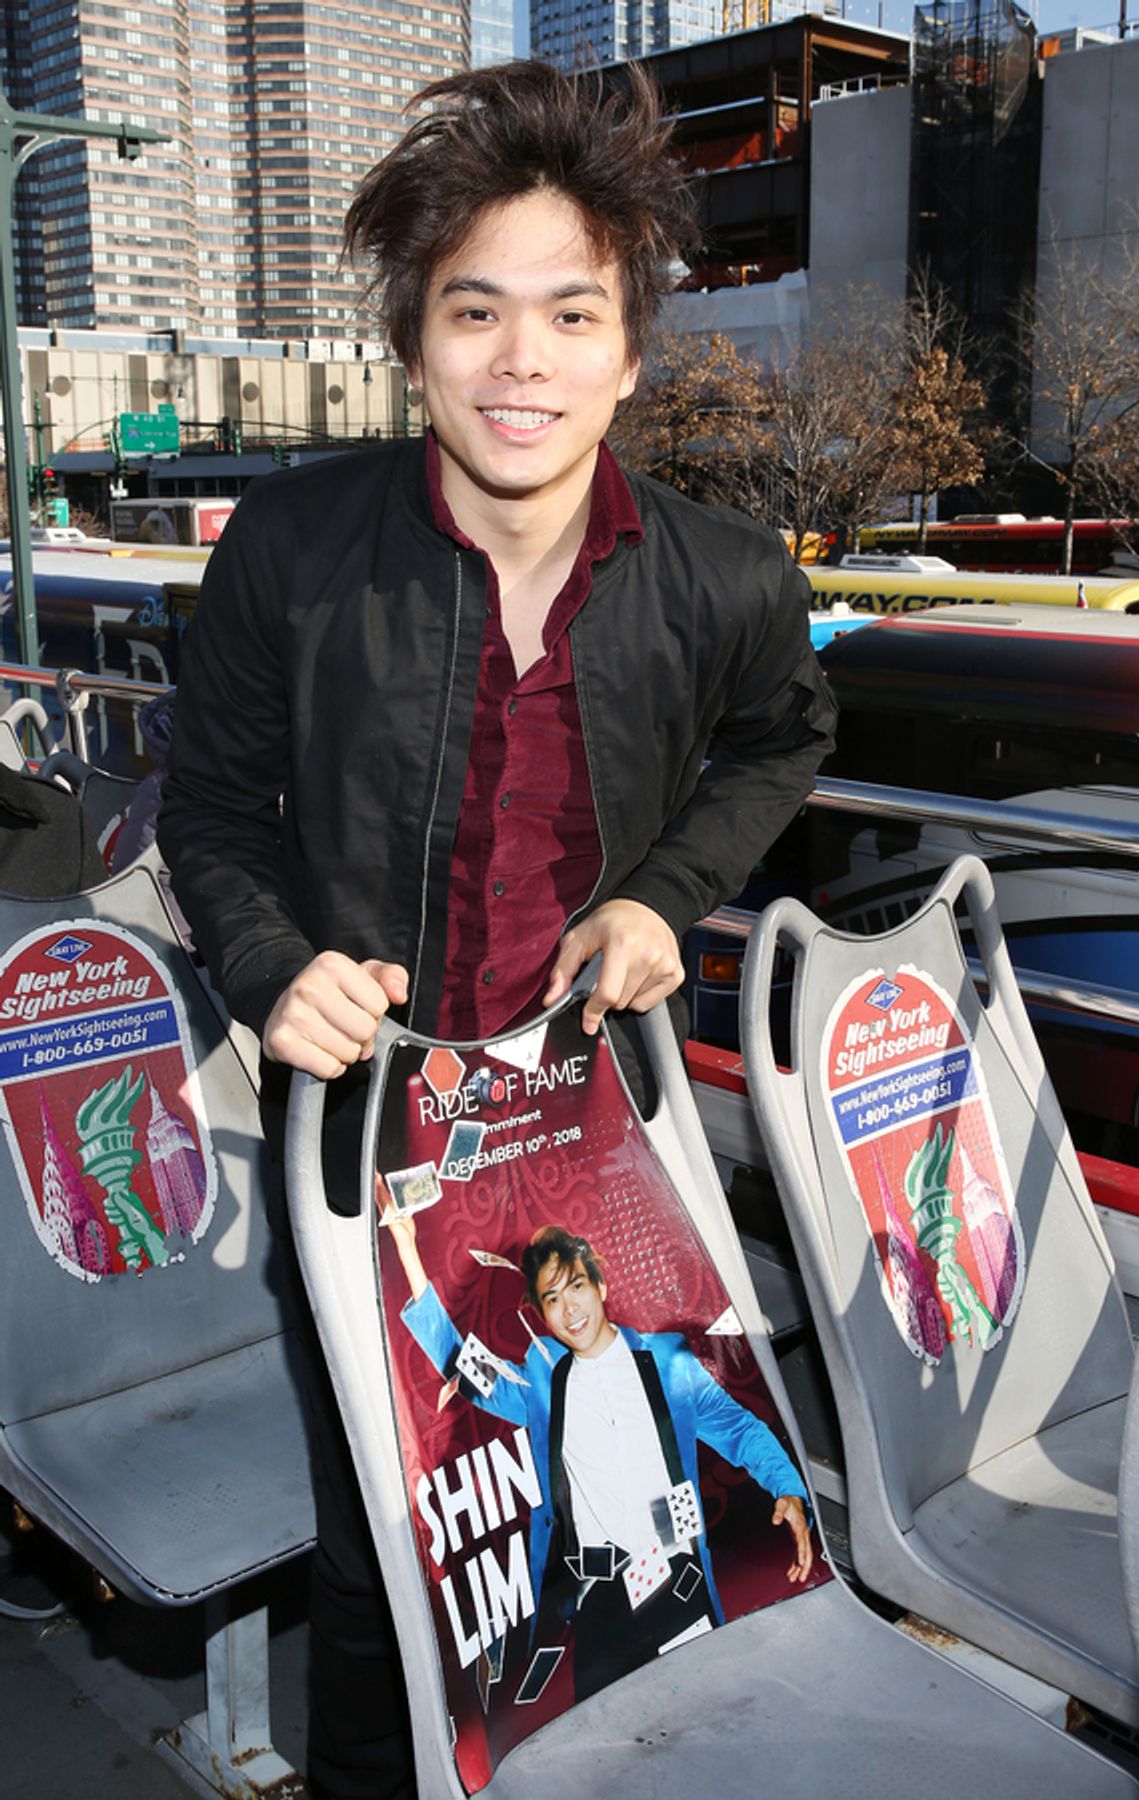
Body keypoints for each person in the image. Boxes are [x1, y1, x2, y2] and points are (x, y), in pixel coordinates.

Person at [159, 58, 835, 1800]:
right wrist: (265, 963)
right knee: (386, 1551)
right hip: (362, 1148)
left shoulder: (731, 577)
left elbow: (786, 738)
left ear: (627, 346)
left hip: (593, 1133)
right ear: (413, 339)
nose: (521, 361)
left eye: (569, 312)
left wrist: (662, 898)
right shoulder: (293, 554)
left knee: (619, 1541)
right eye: (476, 310)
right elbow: (210, 813)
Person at [387, 1213, 813, 1701]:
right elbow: (459, 1362)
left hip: (678, 1584)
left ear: (602, 1286)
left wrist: (788, 1488)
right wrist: (407, 1251)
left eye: (577, 1288)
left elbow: (739, 1429)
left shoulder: (668, 1363)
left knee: (704, 1714)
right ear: (541, 1314)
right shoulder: (542, 1382)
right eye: (553, 1299)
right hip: (599, 1607)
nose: (570, 1310)